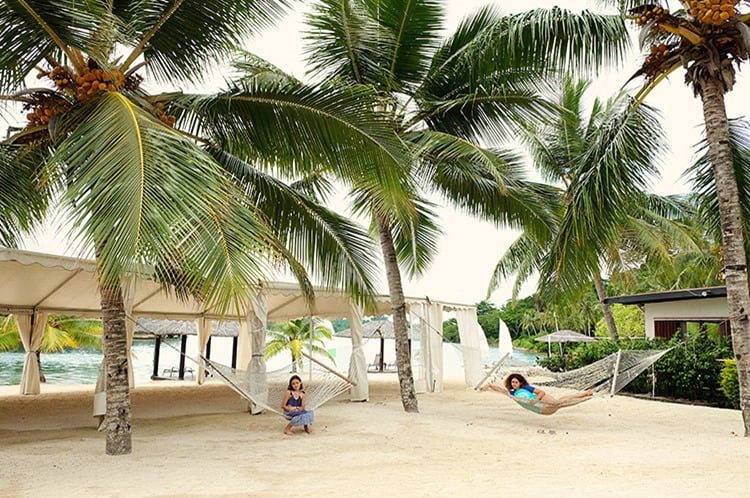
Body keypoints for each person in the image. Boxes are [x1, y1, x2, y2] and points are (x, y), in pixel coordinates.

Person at [479, 373, 593, 415]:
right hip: (541, 409)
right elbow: (500, 390)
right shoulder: (512, 393)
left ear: (520, 382)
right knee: (560, 401)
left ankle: (584, 394)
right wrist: (488, 386)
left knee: (560, 402)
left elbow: (541, 392)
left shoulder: (526, 387)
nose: (514, 384)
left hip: (542, 400)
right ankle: (584, 394)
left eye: (516, 382)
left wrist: (536, 400)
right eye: (512, 382)